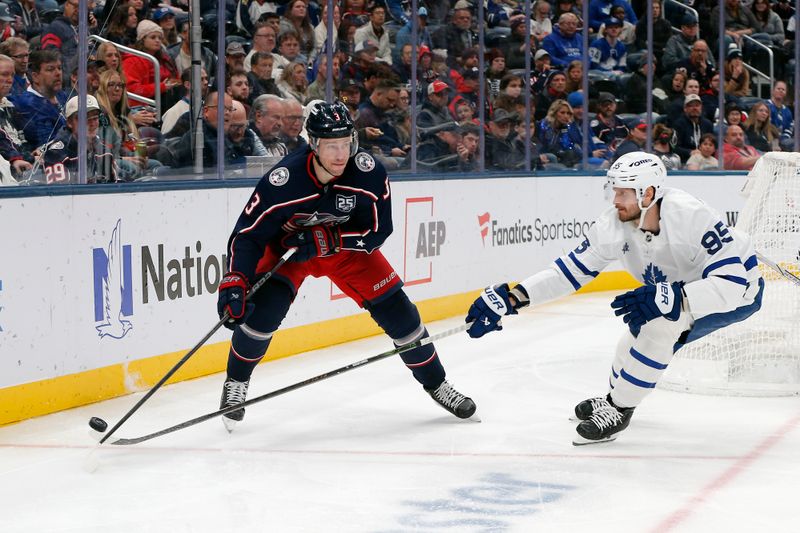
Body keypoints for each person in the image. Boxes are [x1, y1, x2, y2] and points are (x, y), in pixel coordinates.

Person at [464, 152, 763, 445]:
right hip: (681, 288)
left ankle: (620, 409)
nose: (615, 200)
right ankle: (613, 399)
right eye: (614, 190)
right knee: (632, 339)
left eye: (623, 192)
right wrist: (515, 297)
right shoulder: (612, 224)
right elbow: (568, 272)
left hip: (737, 293)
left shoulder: (691, 217)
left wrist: (676, 296)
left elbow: (732, 285)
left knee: (659, 327)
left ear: (648, 194)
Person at [216, 101, 477, 431]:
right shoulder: (282, 181)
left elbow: (379, 231)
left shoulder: (368, 173)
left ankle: (438, 384)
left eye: (346, 144)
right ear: (313, 145)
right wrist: (236, 278)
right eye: (331, 146)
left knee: (402, 316)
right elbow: (248, 235)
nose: (341, 155)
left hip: (346, 252)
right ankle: (235, 385)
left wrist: (332, 241)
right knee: (262, 315)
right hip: (289, 252)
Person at [41, 95, 117, 183]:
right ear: (69, 122)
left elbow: (115, 187)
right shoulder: (56, 153)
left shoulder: (104, 151)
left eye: (95, 118)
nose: (92, 124)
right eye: (86, 119)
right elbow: (58, 193)